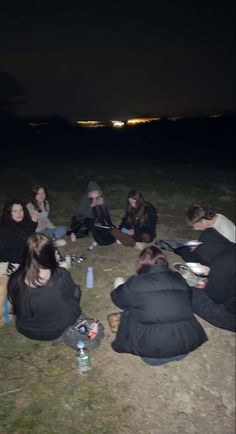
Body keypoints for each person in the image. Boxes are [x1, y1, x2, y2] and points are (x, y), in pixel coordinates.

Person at [110, 246, 207, 366]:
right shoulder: (178, 278)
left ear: (141, 264)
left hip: (153, 355)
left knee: (129, 309)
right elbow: (188, 299)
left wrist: (120, 288)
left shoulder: (135, 282)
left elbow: (118, 301)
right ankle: (176, 354)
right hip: (186, 346)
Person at [7, 233, 82, 341]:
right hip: (53, 331)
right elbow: (70, 294)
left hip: (26, 328)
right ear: (49, 255)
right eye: (54, 250)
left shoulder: (15, 277)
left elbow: (16, 302)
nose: (57, 253)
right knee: (76, 290)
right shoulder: (60, 275)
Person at [70, 181, 115, 246]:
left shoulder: (101, 197)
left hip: (98, 218)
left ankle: (110, 231)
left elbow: (110, 206)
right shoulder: (85, 198)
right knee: (91, 227)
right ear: (89, 193)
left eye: (97, 192)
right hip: (85, 219)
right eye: (93, 192)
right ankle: (75, 234)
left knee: (103, 221)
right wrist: (92, 205)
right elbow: (82, 214)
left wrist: (103, 202)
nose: (95, 194)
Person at [0, 199, 38, 266]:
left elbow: (29, 235)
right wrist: (24, 259)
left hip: (26, 254)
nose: (19, 213)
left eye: (21, 210)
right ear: (9, 213)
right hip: (14, 261)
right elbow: (2, 253)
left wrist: (34, 221)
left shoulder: (22, 222)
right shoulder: (5, 229)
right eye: (15, 211)